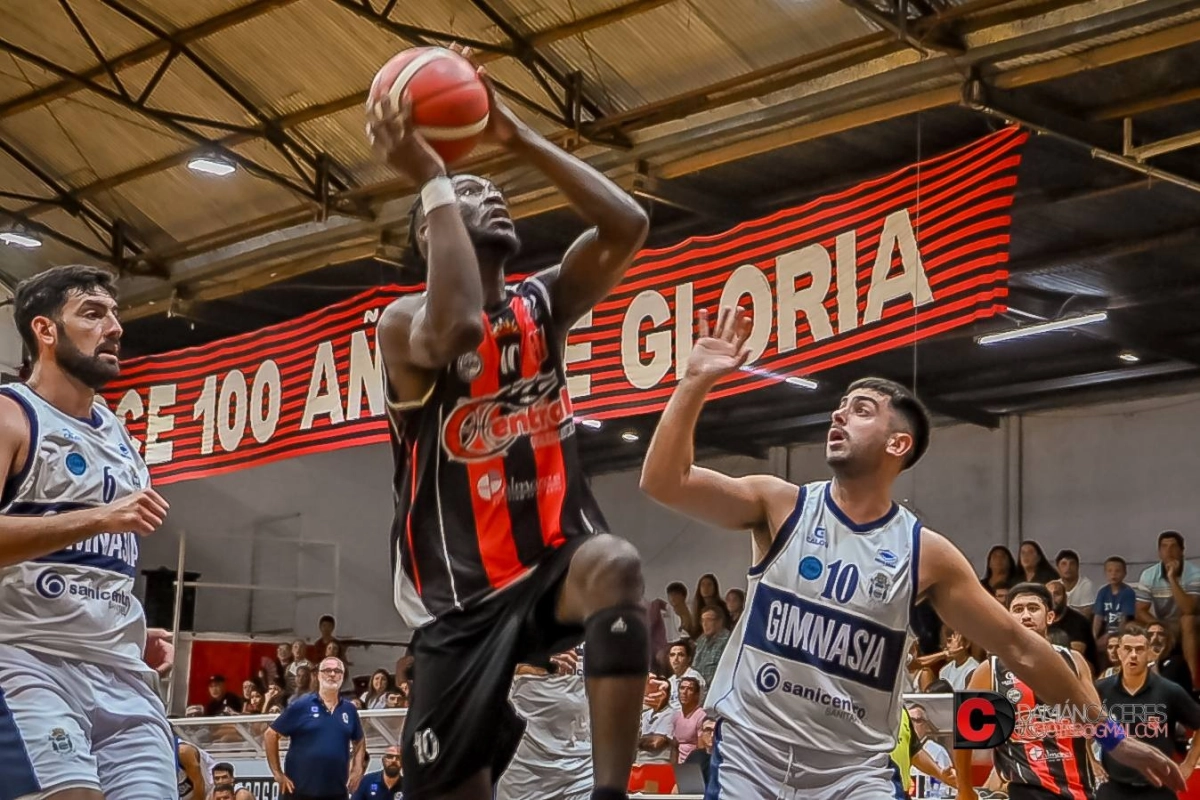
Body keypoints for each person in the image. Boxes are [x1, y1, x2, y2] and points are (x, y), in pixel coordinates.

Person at [638, 306, 1184, 799]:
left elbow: (1022, 648)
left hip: (851, 773)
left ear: (897, 443)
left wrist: (1110, 736)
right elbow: (664, 481)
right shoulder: (781, 504)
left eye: (860, 410)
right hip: (750, 758)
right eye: (839, 408)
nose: (838, 416)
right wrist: (694, 380)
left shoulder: (925, 553)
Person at [367, 45, 650, 800]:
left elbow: (626, 225)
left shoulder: (542, 304)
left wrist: (518, 137)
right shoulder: (401, 323)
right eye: (470, 192)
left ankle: (611, 794)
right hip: (455, 598)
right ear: (428, 235)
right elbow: (457, 327)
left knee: (616, 563)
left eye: (494, 190)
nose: (491, 196)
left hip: (550, 563)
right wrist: (432, 178)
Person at [0, 265, 176, 800]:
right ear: (45, 330)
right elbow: (97, 528)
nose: (115, 328)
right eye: (93, 314)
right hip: (26, 662)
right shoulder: (10, 415)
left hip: (120, 672)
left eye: (115, 314)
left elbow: (96, 560)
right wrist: (99, 517)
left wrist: (125, 624)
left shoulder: (119, 433)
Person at [955, 583, 1099, 800]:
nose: (1025, 615)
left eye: (1033, 608)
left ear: (1050, 617)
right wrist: (964, 788)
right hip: (1027, 788)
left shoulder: (1075, 661)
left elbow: (1097, 720)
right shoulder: (990, 669)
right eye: (1018, 609)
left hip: (1079, 788)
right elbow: (964, 735)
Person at [1095, 623, 1200, 800]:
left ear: (1150, 653)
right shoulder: (1101, 689)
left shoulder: (1169, 691)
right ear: (1118, 652)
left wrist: (1189, 763)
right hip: (1113, 787)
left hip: (1158, 790)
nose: (1133, 655)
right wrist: (1092, 761)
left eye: (1139, 649)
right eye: (1127, 649)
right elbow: (1083, 725)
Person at [496, 648, 591, 800]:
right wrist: (527, 664)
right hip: (525, 774)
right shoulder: (510, 635)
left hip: (582, 771)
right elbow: (476, 667)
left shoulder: (597, 636)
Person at [264, 656, 365, 800]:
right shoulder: (302, 705)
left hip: (336, 793)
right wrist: (277, 773)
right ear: (318, 675)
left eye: (337, 671)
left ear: (343, 677)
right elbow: (270, 734)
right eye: (327, 670)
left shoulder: (349, 709)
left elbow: (359, 740)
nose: (332, 674)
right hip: (299, 792)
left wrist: (357, 768)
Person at [1134, 531, 1199, 681]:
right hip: (1165, 622)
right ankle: (1140, 678)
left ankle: (1193, 681)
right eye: (1164, 547)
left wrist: (1172, 579)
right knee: (1132, 625)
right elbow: (1140, 610)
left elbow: (1189, 609)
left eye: (1173, 547)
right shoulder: (1148, 575)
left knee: (1187, 620)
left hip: (1193, 622)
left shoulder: (1194, 574)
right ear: (1159, 552)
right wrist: (1158, 625)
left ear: (1182, 551)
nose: (1169, 551)